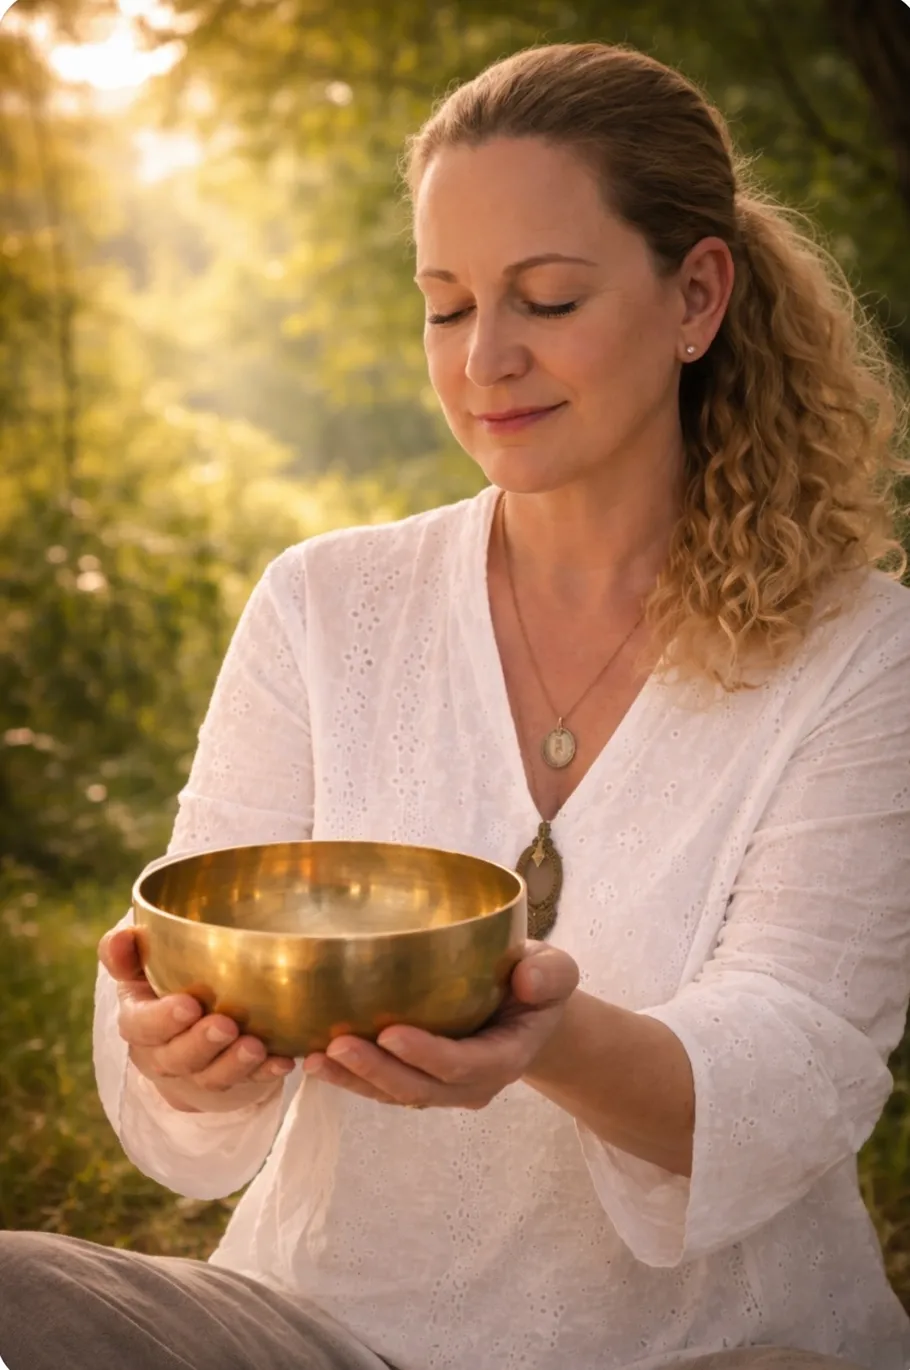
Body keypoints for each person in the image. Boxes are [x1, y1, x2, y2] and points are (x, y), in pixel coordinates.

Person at [2, 38, 910, 1370]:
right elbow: (195, 961)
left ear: (694, 296)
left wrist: (545, 1035)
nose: (484, 357)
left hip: (708, 1349)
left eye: (544, 299)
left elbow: (794, 1069)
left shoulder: (860, 652)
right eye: (444, 304)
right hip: (318, 1330)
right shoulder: (325, 602)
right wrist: (184, 1050)